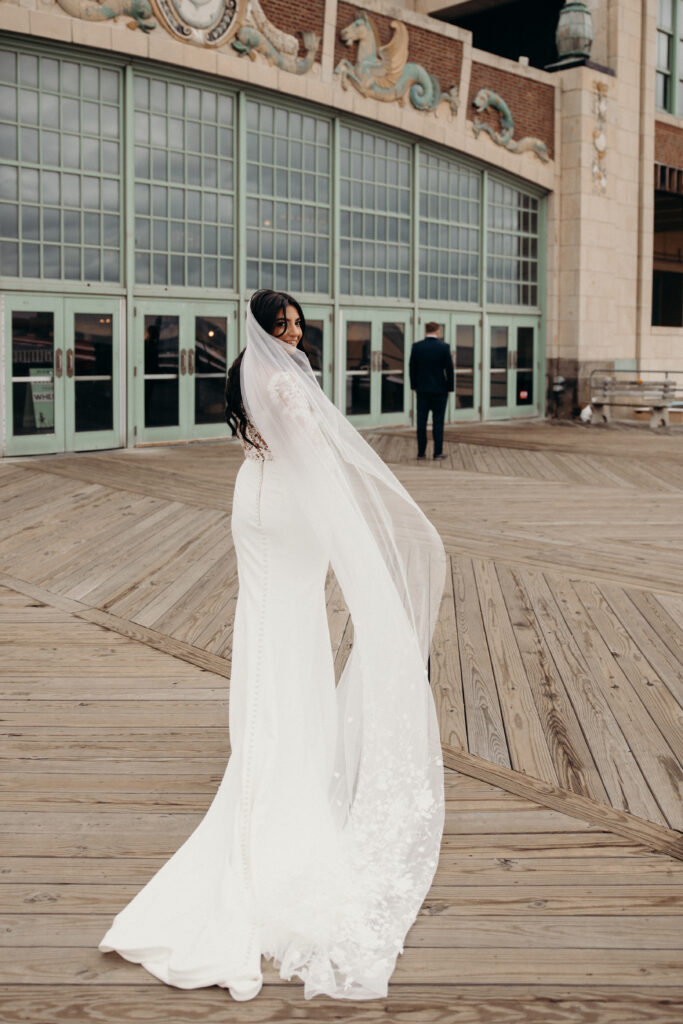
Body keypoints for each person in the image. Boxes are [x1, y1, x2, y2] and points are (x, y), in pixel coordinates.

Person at [98, 290, 446, 1002]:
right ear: (266, 327)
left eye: (294, 321)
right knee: (291, 619)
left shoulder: (242, 375)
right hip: (287, 501)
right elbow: (314, 456)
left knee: (267, 617)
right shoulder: (288, 379)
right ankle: (283, 765)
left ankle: (266, 747)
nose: (292, 331)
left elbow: (256, 440)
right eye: (282, 323)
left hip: (251, 496)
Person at [409, 322, 454, 460]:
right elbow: (449, 370)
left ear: (425, 331)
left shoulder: (417, 347)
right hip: (440, 390)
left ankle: (421, 453)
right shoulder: (444, 347)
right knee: (438, 422)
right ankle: (437, 453)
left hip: (422, 390)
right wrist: (449, 388)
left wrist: (414, 386)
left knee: (421, 422)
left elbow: (412, 368)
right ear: (437, 331)